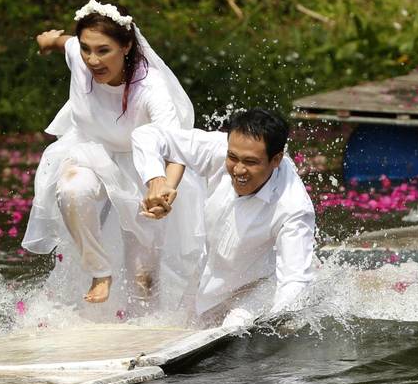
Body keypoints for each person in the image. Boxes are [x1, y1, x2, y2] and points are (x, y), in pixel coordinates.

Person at [22, 0, 204, 308]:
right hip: (88, 152)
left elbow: (176, 146)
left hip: (142, 165)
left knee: (142, 274)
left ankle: (146, 326)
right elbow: (65, 42)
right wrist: (49, 40)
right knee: (72, 189)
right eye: (87, 49)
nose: (93, 60)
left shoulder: (151, 87)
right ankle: (100, 273)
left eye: (103, 50)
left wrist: (166, 189)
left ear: (127, 46)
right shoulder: (80, 59)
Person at [132, 108, 317, 327]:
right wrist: (157, 180)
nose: (238, 169)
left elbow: (294, 280)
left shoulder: (294, 207)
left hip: (262, 285)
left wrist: (283, 323)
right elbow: (146, 134)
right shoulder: (220, 148)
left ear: (276, 159)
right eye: (233, 158)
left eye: (250, 162)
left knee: (235, 326)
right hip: (211, 271)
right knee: (182, 328)